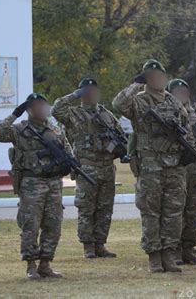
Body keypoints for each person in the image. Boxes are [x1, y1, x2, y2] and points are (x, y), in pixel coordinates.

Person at [112, 59, 188, 273]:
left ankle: (169, 254)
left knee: (174, 211)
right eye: (151, 76)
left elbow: (185, 126)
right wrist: (136, 84)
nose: (157, 79)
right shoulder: (138, 101)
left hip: (174, 165)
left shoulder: (174, 102)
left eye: (160, 75)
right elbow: (118, 104)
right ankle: (154, 255)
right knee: (151, 211)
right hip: (150, 164)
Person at [0, 93, 67, 279]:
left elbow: (66, 148)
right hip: (32, 182)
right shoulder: (19, 130)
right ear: (29, 109)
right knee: (30, 225)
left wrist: (68, 164)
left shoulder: (55, 129)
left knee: (53, 224)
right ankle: (31, 265)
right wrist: (15, 114)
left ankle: (45, 264)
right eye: (35, 106)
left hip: (54, 182)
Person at [52, 78, 123, 259]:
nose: (91, 94)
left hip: (107, 167)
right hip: (87, 168)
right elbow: (56, 110)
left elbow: (121, 137)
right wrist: (75, 95)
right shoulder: (74, 114)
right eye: (87, 91)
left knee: (105, 209)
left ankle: (100, 244)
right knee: (86, 208)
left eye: (93, 90)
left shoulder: (107, 115)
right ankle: (88, 246)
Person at [166, 78, 196, 265]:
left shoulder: (195, 114)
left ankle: (188, 247)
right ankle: (173, 249)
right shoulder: (168, 112)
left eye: (184, 90)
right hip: (176, 167)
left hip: (195, 168)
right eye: (177, 91)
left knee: (193, 209)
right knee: (176, 209)